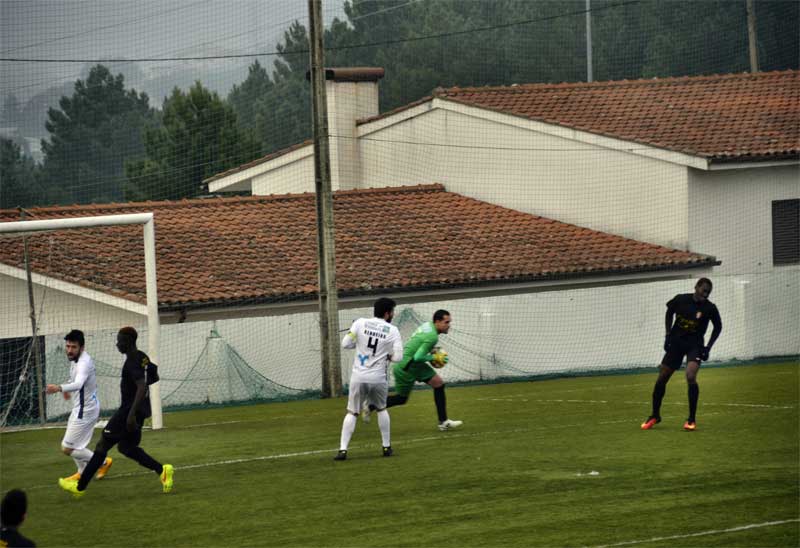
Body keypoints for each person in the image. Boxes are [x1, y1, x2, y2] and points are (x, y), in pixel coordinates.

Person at [58, 327, 173, 498]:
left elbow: (142, 386)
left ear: (128, 342)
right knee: (127, 448)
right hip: (140, 411)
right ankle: (162, 470)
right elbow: (154, 376)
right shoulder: (142, 356)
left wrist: (131, 414)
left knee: (101, 446)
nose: (117, 344)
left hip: (128, 412)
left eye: (119, 340)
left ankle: (79, 487)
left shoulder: (132, 361)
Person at [642, 278, 722, 431]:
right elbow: (669, 312)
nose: (706, 294)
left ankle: (691, 419)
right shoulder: (681, 299)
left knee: (691, 376)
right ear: (696, 287)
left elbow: (718, 327)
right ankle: (654, 415)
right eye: (704, 290)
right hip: (676, 343)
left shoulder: (710, 308)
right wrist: (667, 335)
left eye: (708, 292)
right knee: (662, 377)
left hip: (695, 345)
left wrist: (708, 347)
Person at [334, 297, 403, 461]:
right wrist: (388, 356)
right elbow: (399, 357)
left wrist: (358, 344)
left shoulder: (359, 323)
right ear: (387, 313)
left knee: (352, 412)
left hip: (358, 377)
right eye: (392, 311)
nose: (393, 314)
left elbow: (345, 344)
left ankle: (343, 450)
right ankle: (386, 447)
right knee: (381, 409)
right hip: (378, 378)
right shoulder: (392, 330)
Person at [45, 330, 112, 483]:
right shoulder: (76, 360)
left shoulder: (84, 363)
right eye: (67, 346)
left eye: (73, 347)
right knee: (74, 444)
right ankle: (82, 472)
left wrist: (59, 388)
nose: (69, 350)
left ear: (81, 347)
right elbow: (74, 380)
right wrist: (65, 388)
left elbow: (79, 383)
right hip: (81, 408)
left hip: (86, 410)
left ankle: (103, 462)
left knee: (67, 448)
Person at [385, 309, 463, 431]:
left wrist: (431, 351)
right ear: (437, 322)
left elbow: (418, 344)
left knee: (438, 384)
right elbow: (418, 357)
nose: (449, 325)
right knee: (401, 399)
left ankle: (443, 422)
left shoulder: (428, 326)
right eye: (446, 322)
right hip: (408, 366)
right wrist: (434, 357)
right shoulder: (432, 336)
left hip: (408, 363)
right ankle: (371, 404)